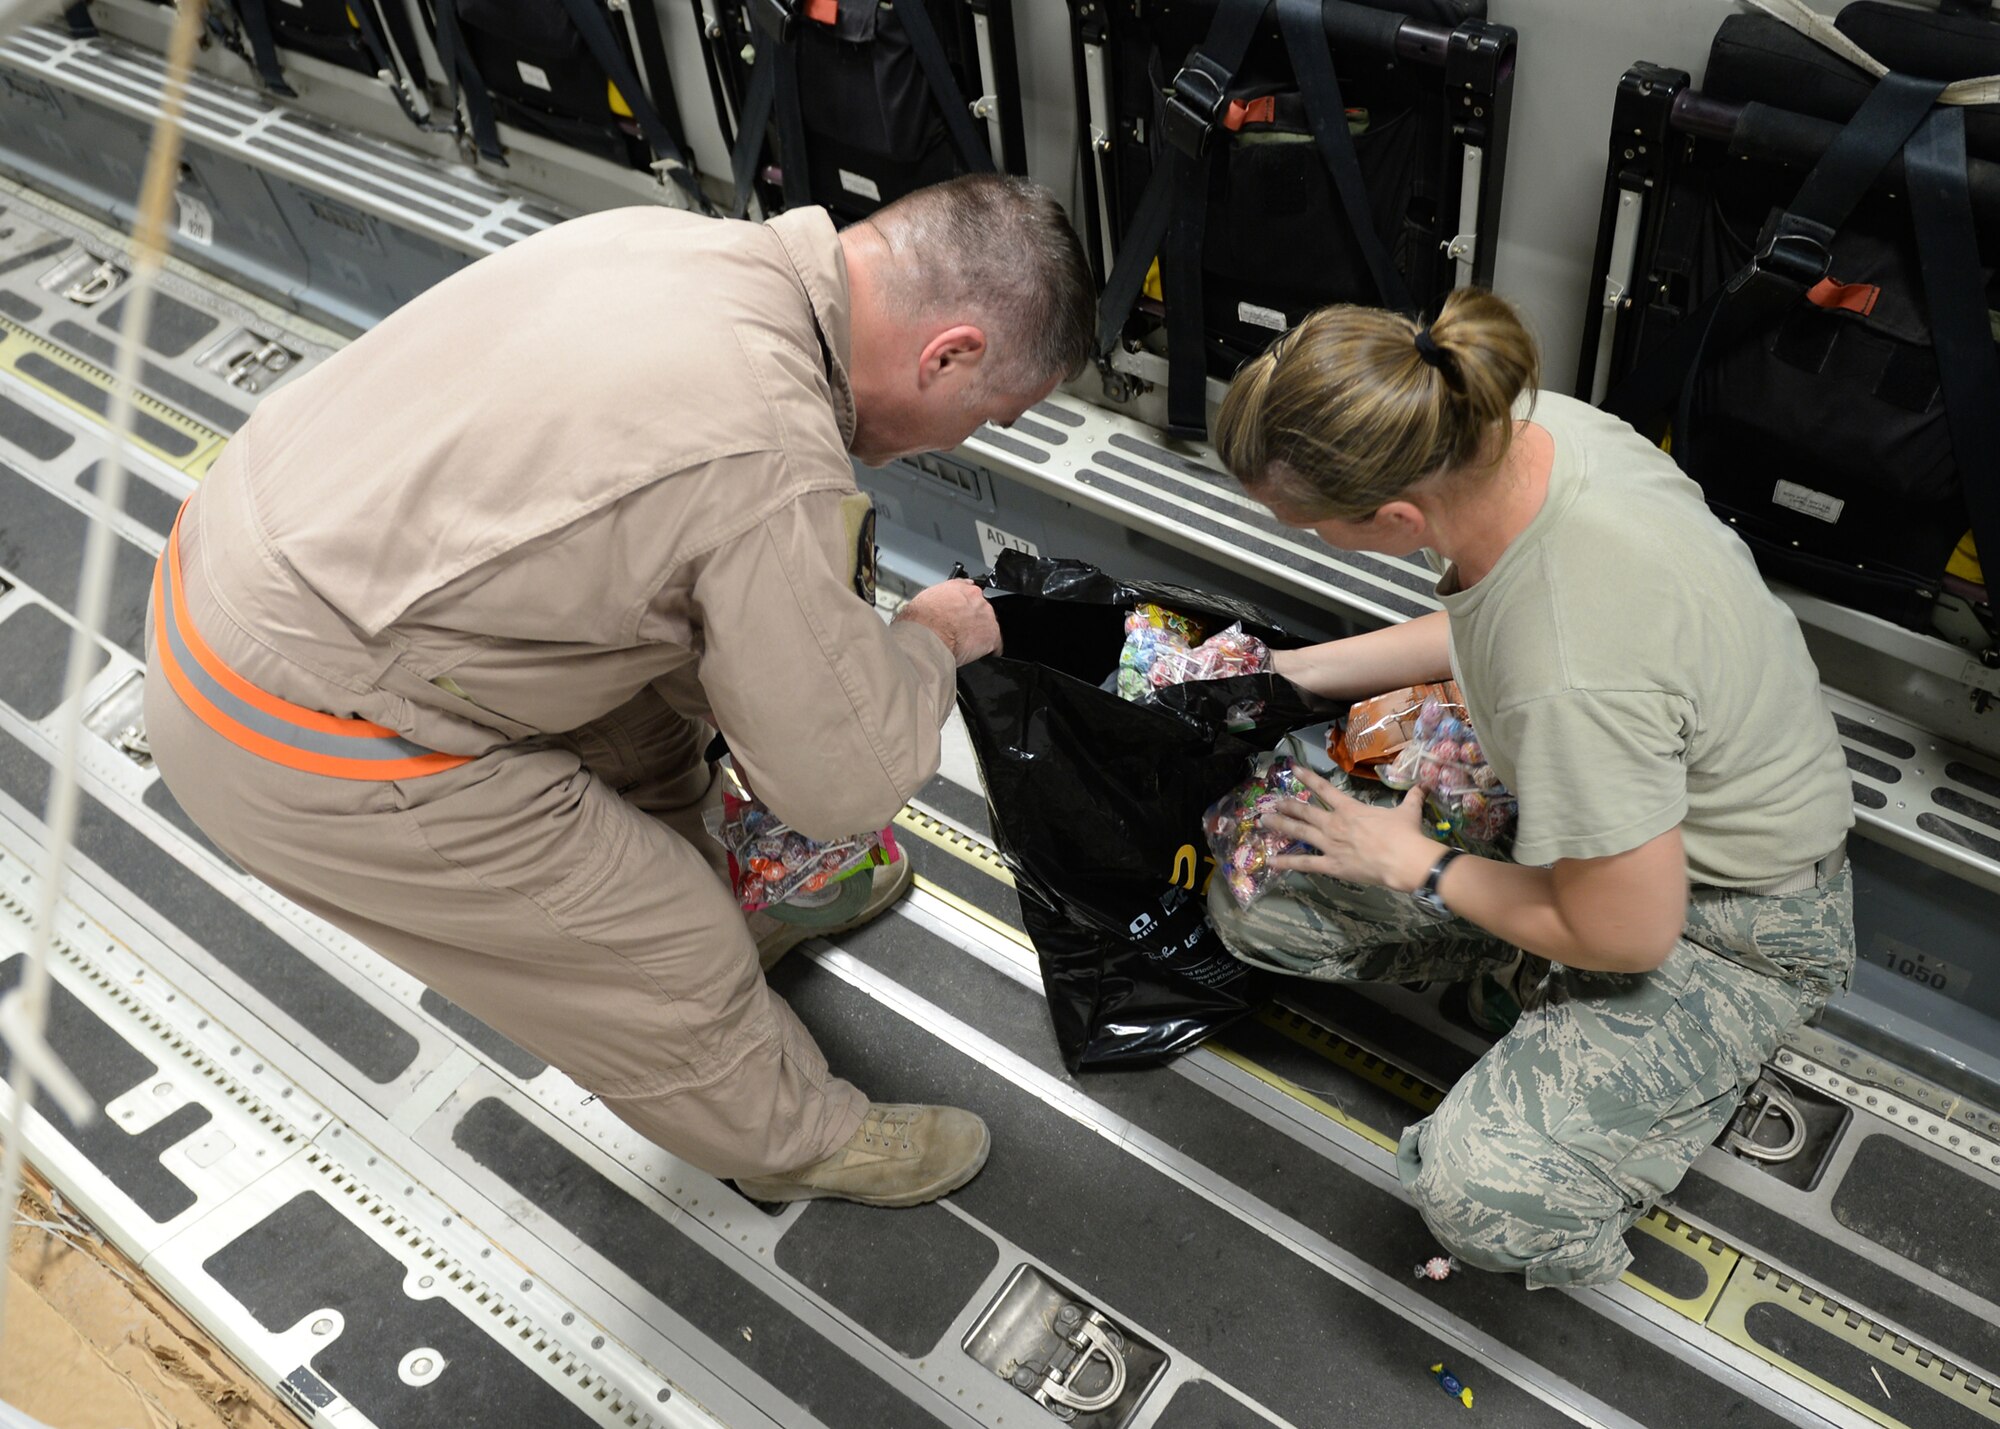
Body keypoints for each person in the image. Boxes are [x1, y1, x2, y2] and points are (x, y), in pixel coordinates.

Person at [144, 174, 1096, 1209]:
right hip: (292, 724)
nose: (965, 441)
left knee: (653, 694)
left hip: (250, 566)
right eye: (986, 415)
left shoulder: (682, 249)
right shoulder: (768, 454)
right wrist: (924, 641)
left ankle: (719, 909)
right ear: (946, 352)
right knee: (661, 952)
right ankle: (786, 1139)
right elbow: (836, 780)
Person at [1205, 289, 1854, 1288]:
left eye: (1298, 521)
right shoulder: (1514, 430)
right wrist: (1291, 669)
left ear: (1392, 518)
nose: (1294, 531)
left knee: (1479, 1197)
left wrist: (1415, 865)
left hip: (1729, 924)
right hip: (1602, 822)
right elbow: (1490, 630)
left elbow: (1631, 929)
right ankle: (1526, 980)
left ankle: (1634, 1061)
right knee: (1261, 901)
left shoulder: (1572, 668)